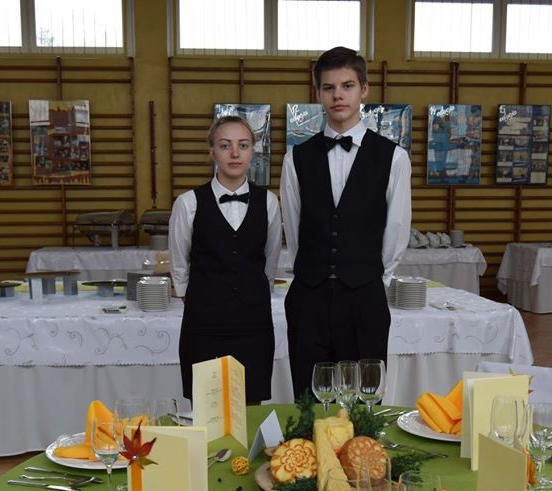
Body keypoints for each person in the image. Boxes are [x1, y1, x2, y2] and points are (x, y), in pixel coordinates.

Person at [280, 46, 412, 397]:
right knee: (308, 396)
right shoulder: (296, 158)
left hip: (364, 297)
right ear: (318, 93)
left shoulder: (394, 157)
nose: (338, 95)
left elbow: (397, 229)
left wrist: (368, 278)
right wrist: (314, 272)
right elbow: (294, 227)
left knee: (364, 398)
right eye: (329, 87)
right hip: (309, 296)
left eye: (347, 86)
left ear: (364, 89)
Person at [170, 115, 282, 404]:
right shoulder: (188, 203)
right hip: (204, 323)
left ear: (252, 151)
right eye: (225, 145)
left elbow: (269, 261)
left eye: (243, 145)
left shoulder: (269, 202)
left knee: (251, 404)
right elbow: (179, 264)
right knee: (207, 406)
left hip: (253, 323)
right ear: (212, 152)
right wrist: (195, 296)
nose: (235, 153)